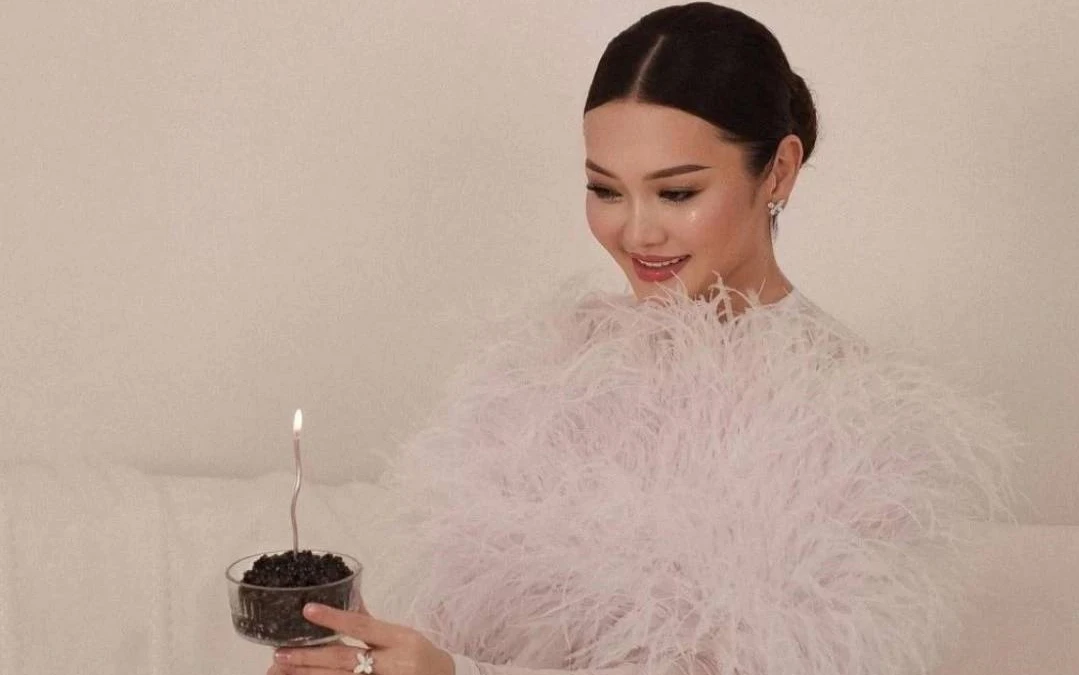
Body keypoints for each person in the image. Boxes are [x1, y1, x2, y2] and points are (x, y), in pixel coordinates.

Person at [266, 3, 1022, 674]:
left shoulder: (861, 420)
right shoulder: (547, 368)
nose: (636, 232)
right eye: (604, 189)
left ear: (779, 171)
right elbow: (464, 625)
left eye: (677, 192)